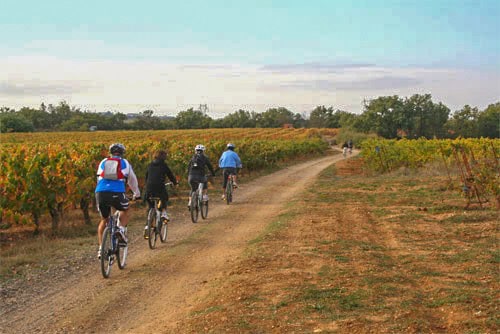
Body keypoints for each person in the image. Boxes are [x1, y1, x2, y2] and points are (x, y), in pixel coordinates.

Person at [95, 143, 141, 259]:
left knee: (104, 220)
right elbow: (132, 180)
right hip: (117, 192)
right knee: (125, 208)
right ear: (122, 153)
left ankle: (101, 249)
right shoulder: (125, 163)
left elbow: (98, 177)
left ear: (110, 152)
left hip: (101, 192)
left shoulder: (103, 162)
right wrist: (137, 194)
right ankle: (120, 229)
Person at [144, 150, 178, 236]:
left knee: (150, 206)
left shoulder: (150, 165)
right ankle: (163, 213)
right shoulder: (163, 165)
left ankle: (148, 226)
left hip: (149, 188)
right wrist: (175, 183)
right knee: (164, 197)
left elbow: (147, 177)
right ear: (163, 157)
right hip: (159, 187)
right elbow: (170, 175)